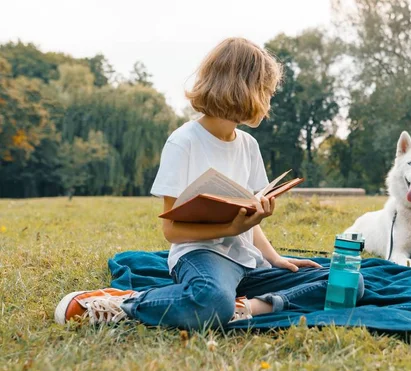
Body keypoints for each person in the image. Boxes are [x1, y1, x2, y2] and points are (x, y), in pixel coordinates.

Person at [54, 38, 364, 329]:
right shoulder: (183, 142)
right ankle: (123, 305)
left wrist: (275, 258)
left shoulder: (248, 145)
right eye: (267, 91)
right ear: (247, 89)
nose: (269, 100)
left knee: (348, 282)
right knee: (210, 300)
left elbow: (248, 217)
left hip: (248, 263)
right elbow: (171, 231)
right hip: (201, 256)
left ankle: (247, 307)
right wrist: (230, 230)